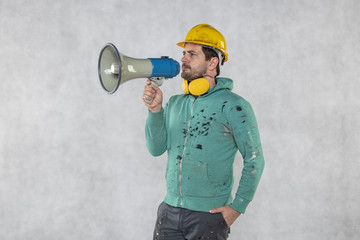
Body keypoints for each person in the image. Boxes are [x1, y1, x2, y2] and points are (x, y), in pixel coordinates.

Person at [142, 24, 265, 240]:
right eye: (183, 53)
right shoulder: (176, 102)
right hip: (169, 211)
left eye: (192, 54)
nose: (183, 59)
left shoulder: (234, 105)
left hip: (209, 215)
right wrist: (155, 111)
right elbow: (155, 149)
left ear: (213, 62)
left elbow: (254, 160)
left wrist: (237, 207)